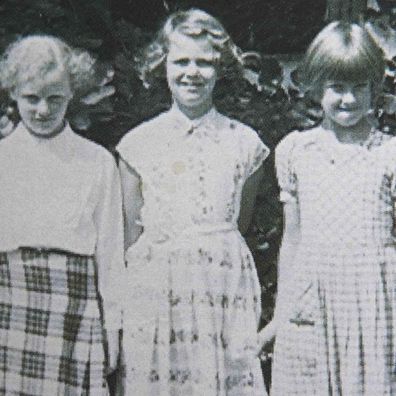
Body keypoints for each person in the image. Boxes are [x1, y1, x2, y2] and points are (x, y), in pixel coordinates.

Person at [117, 8, 269, 395]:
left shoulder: (245, 144)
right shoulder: (138, 144)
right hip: (157, 294)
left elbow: (241, 220)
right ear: (161, 65)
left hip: (221, 291)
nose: (192, 72)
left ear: (221, 69)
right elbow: (130, 234)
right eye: (181, 61)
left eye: (204, 62)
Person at [265, 22, 394, 395]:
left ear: (375, 88)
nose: (349, 100)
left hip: (375, 300)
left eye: (360, 87)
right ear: (317, 86)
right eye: (337, 87)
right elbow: (293, 240)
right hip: (313, 299)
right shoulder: (295, 151)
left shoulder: (389, 154)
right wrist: (281, 314)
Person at [0, 35, 124, 395]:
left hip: (74, 308)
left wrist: (112, 326)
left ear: (73, 93)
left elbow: (111, 253)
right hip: (8, 300)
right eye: (31, 98)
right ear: (13, 94)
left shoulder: (97, 161)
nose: (42, 110)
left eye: (55, 98)